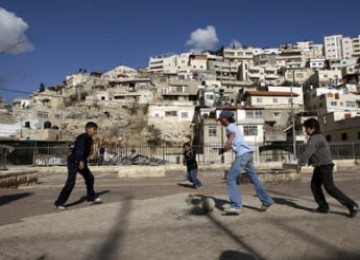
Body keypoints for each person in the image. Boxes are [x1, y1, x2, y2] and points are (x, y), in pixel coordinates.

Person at [297, 118, 358, 218]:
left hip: (324, 166)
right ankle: (323, 207)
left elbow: (308, 151)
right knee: (315, 186)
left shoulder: (315, 138)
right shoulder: (316, 137)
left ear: (312, 128)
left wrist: (300, 163)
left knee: (330, 188)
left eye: (306, 128)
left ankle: (352, 205)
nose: (305, 130)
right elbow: (312, 153)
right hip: (320, 166)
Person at [217, 110, 274, 214]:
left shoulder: (230, 127)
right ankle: (266, 200)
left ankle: (236, 205)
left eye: (221, 119)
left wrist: (227, 143)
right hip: (248, 154)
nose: (220, 122)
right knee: (254, 179)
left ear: (226, 119)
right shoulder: (234, 126)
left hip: (243, 155)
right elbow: (234, 142)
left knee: (230, 178)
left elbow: (232, 136)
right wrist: (224, 149)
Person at [54, 122, 102, 209]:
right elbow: (80, 149)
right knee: (71, 182)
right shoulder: (83, 137)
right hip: (74, 162)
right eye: (94, 129)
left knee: (90, 178)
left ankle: (90, 198)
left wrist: (82, 161)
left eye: (96, 130)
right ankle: (59, 203)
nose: (95, 131)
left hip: (80, 161)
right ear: (89, 129)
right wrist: (81, 161)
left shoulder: (89, 139)